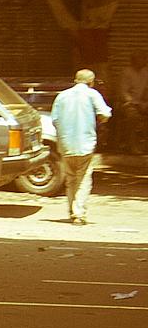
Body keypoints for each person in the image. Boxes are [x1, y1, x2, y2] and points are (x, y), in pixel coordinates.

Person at [51, 69, 112, 225]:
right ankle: (79, 213)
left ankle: (72, 211)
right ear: (91, 81)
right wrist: (98, 121)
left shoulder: (62, 96)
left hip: (65, 144)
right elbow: (105, 114)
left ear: (76, 80)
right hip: (85, 143)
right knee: (83, 178)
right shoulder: (92, 94)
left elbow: (55, 120)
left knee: (70, 178)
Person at [120, 52, 148, 154]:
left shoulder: (146, 72)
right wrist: (135, 103)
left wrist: (145, 103)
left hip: (143, 103)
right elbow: (124, 92)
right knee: (132, 117)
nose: (144, 61)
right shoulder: (126, 72)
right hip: (129, 103)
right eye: (141, 59)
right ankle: (131, 146)